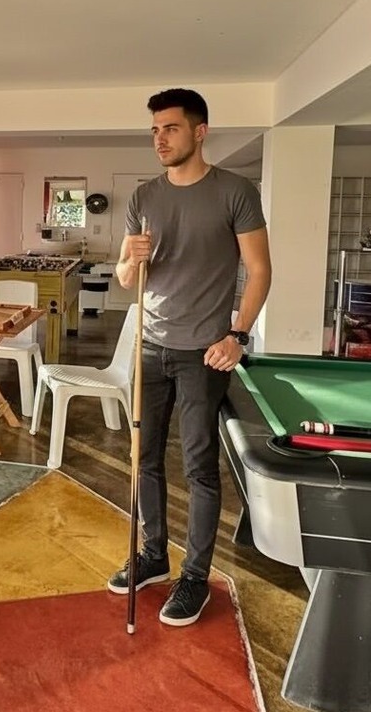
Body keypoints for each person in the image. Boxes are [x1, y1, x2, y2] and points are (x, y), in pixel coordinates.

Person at [107, 88, 272, 626]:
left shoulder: (235, 191)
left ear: (200, 132)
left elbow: (259, 269)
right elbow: (126, 278)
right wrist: (129, 262)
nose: (160, 138)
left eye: (171, 128)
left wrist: (238, 335)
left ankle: (195, 576)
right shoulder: (143, 196)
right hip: (150, 346)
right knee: (144, 458)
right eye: (154, 130)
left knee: (199, 465)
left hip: (205, 351)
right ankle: (154, 554)